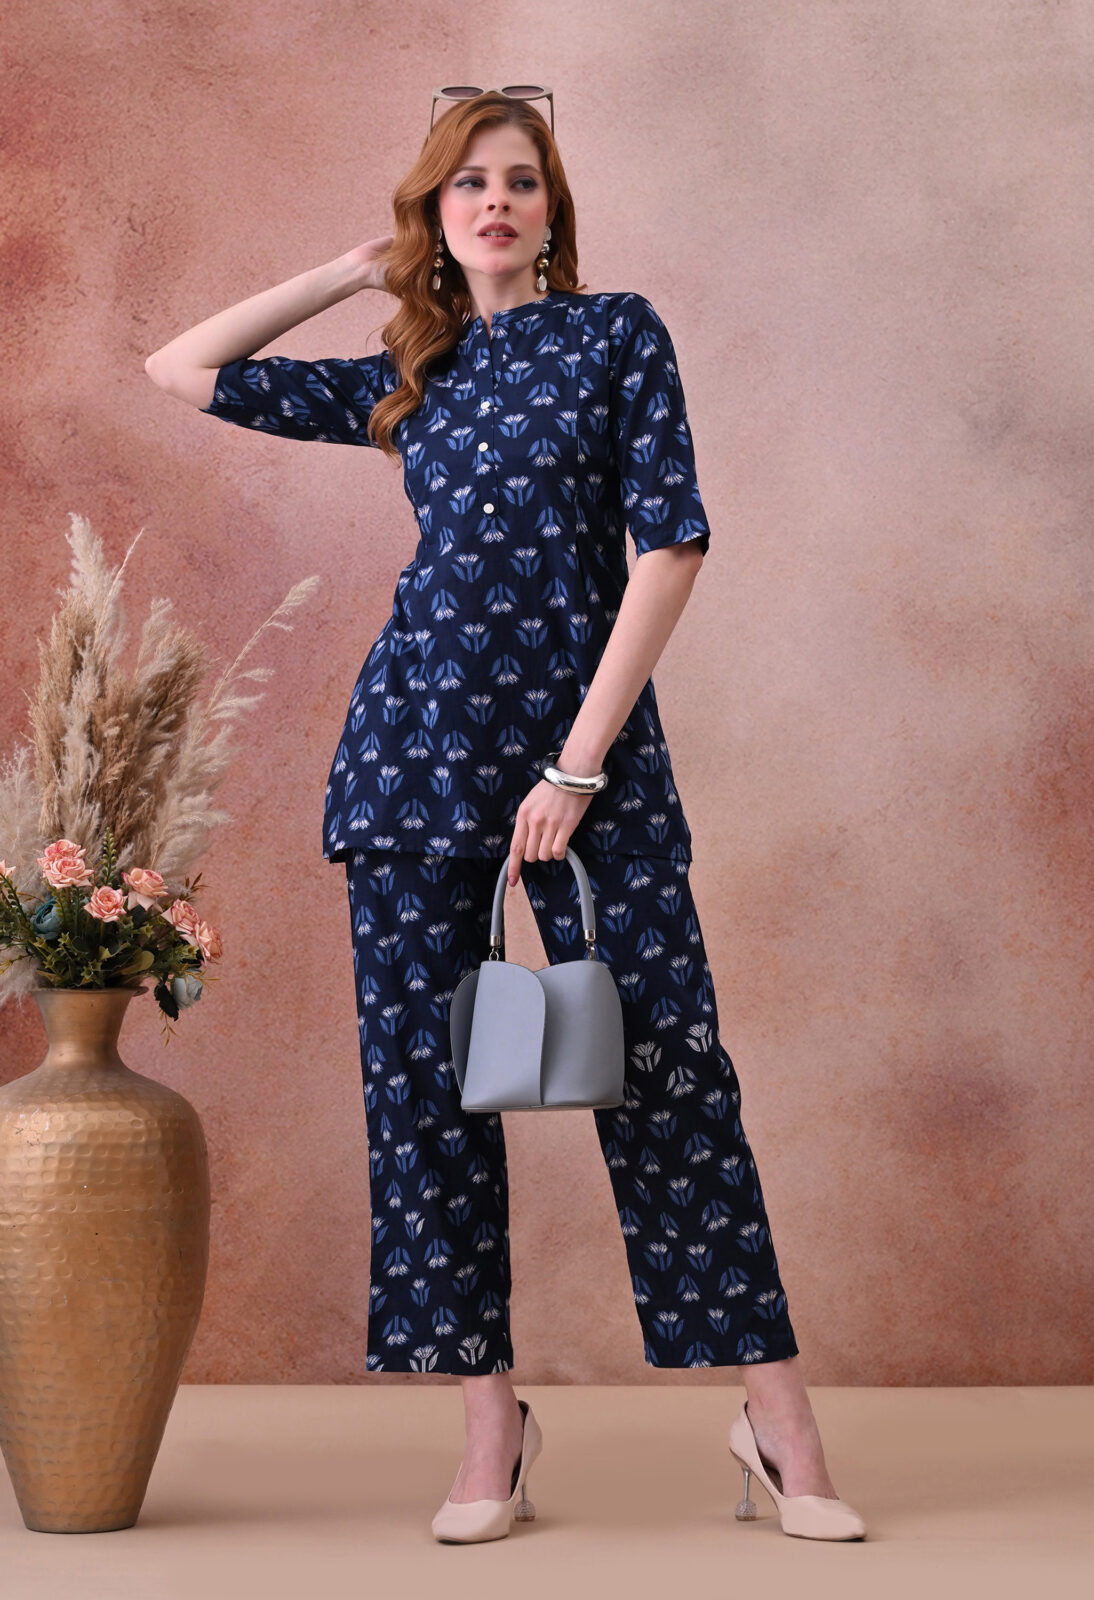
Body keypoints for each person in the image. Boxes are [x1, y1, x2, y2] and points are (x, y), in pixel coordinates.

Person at [144, 90, 865, 1544]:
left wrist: (577, 767)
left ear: (552, 211)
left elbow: (670, 544)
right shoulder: (413, 369)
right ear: (434, 211)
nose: (493, 203)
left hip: (588, 761)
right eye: (464, 183)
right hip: (413, 759)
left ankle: (777, 1425)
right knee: (428, 1095)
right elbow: (184, 368)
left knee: (666, 1069)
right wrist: (355, 271)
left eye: (519, 181)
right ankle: (490, 1428)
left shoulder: (614, 336)